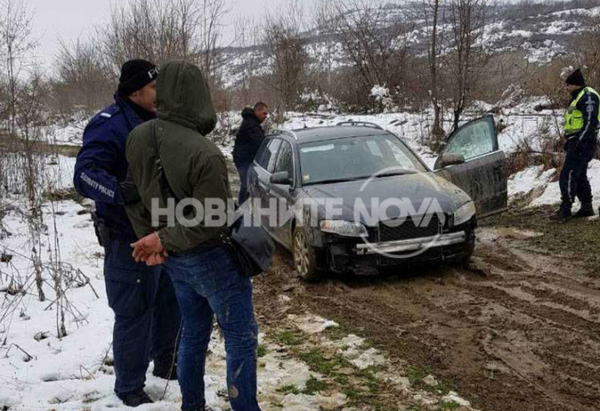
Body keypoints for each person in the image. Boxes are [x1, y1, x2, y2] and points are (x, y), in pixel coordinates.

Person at [125, 60, 262, 411]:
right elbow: (213, 219)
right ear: (199, 96)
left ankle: (193, 406)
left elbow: (133, 194)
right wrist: (160, 241)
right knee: (240, 337)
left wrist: (154, 239)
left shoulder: (138, 137)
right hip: (209, 257)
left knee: (193, 335)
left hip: (175, 262)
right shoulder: (205, 153)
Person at [73, 59, 181, 407]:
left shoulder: (160, 122)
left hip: (164, 235)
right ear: (136, 91)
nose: (160, 93)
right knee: (135, 313)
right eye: (154, 87)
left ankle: (168, 364)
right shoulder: (110, 126)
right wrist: (119, 192)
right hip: (128, 240)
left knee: (170, 304)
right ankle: (130, 387)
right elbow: (84, 175)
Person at [556, 68, 600, 220]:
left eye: (567, 85)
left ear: (575, 85)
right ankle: (586, 207)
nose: (566, 88)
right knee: (580, 175)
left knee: (567, 174)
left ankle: (565, 208)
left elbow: (591, 122)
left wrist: (579, 141)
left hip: (583, 142)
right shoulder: (578, 96)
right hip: (578, 141)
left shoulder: (587, 96)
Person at [232, 102, 269, 204]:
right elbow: (260, 141)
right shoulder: (250, 124)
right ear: (257, 111)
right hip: (243, 159)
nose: (266, 116)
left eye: (267, 114)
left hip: (248, 158)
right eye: (264, 113)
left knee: (251, 183)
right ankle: (242, 207)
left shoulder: (253, 122)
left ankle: (247, 204)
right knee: (246, 184)